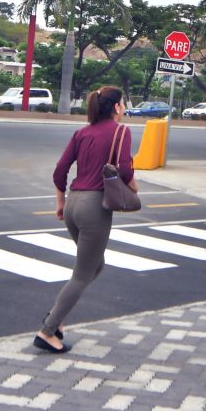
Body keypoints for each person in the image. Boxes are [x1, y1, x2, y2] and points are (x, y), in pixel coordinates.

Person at [34, 85, 136, 353]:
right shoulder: (121, 131)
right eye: (123, 103)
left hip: (73, 204)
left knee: (95, 266)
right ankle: (47, 330)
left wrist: (60, 201)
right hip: (95, 206)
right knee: (82, 274)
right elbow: (125, 170)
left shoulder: (82, 133)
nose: (124, 108)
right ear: (116, 107)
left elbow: (60, 169)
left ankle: (55, 317)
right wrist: (134, 188)